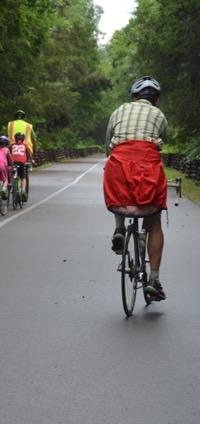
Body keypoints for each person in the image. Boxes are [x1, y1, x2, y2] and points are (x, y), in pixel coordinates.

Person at [103, 75, 169, 301]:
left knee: (116, 192)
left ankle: (119, 229)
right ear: (156, 100)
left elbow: (108, 144)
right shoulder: (159, 115)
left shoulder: (119, 111)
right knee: (154, 220)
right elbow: (161, 142)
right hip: (148, 169)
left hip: (119, 166)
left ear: (133, 97)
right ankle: (154, 279)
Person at [10, 132, 35, 201]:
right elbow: (29, 154)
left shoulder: (12, 146)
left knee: (12, 172)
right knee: (23, 177)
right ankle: (23, 191)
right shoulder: (25, 145)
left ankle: (12, 185)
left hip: (13, 163)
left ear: (15, 139)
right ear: (23, 139)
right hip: (21, 163)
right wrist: (32, 160)